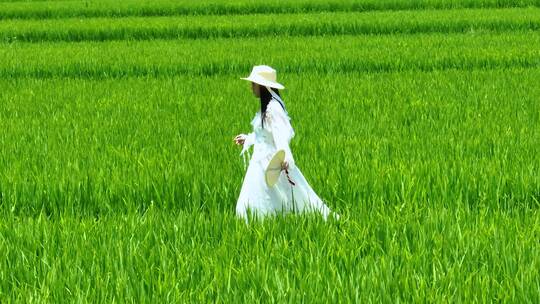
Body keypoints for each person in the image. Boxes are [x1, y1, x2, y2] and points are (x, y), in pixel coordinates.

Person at [233, 65, 339, 222]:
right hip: (260, 162)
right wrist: (248, 139)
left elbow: (281, 136)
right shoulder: (266, 108)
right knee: (254, 203)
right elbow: (264, 135)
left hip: (269, 162)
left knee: (267, 201)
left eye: (253, 84)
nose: (251, 87)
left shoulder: (273, 109)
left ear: (262, 87)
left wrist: (286, 158)